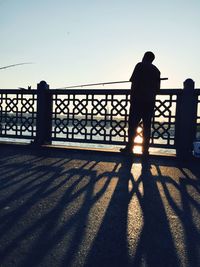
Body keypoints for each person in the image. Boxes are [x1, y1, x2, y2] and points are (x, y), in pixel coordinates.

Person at [120, 51, 161, 156]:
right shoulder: (157, 71)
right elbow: (157, 89)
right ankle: (145, 150)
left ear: (144, 57)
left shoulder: (139, 66)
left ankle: (130, 147)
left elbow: (134, 82)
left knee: (133, 126)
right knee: (147, 126)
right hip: (150, 102)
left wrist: (132, 97)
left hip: (137, 101)